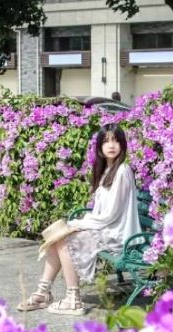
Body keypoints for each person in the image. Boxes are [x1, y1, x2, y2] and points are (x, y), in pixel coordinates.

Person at [18, 124, 142, 315]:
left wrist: (79, 224)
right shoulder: (107, 172)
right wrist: (79, 223)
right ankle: (43, 292)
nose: (111, 145)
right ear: (99, 146)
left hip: (117, 233)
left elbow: (111, 214)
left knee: (66, 240)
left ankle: (73, 299)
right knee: (58, 236)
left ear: (123, 144)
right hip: (106, 228)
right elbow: (102, 213)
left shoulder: (123, 170)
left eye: (116, 140)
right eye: (106, 141)